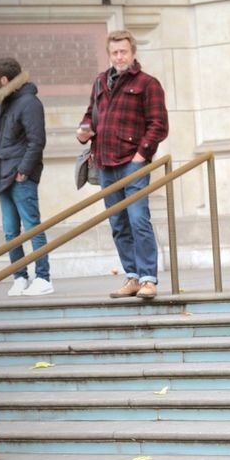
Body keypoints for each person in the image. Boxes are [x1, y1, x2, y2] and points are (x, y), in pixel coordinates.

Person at [76, 29, 168, 299]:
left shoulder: (148, 84)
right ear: (109, 54)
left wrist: (141, 157)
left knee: (138, 220)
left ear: (133, 52)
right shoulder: (100, 82)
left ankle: (149, 279)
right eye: (114, 52)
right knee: (118, 223)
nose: (119, 56)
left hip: (132, 163)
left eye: (123, 51)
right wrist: (82, 131)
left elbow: (158, 125)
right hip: (105, 164)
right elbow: (89, 115)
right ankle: (133, 277)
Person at [0, 57, 52, 296]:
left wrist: (23, 172)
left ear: (4, 80)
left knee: (32, 227)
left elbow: (37, 142)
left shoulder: (29, 103)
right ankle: (20, 277)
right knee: (9, 231)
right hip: (2, 174)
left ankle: (44, 278)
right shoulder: (4, 103)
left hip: (20, 176)